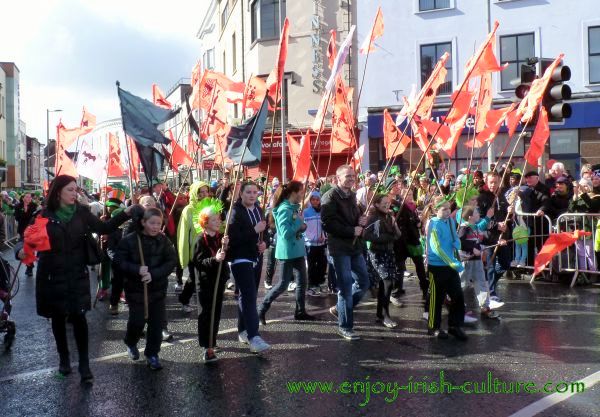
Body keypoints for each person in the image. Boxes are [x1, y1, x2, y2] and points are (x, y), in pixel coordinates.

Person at [21, 175, 139, 384]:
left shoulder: (82, 214)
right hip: (52, 276)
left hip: (76, 274)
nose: (75, 193)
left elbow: (105, 228)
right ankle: (64, 361)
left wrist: (126, 212)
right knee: (58, 319)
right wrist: (20, 254)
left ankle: (84, 364)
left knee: (79, 319)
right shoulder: (43, 216)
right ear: (58, 192)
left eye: (76, 190)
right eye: (70, 190)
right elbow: (29, 244)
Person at [115, 208, 177, 371]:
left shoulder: (163, 241)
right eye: (152, 223)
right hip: (136, 290)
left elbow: (171, 261)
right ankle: (130, 341)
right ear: (143, 222)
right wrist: (136, 269)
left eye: (158, 223)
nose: (156, 227)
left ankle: (152, 354)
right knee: (137, 322)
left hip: (157, 290)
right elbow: (119, 261)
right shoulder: (129, 240)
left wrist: (154, 274)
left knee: (156, 326)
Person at [321, 165, 370, 341]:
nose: (351, 178)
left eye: (353, 176)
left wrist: (361, 219)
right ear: (338, 178)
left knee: (364, 282)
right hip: (339, 248)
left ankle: (340, 310)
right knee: (345, 288)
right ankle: (345, 326)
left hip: (354, 246)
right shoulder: (330, 197)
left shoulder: (352, 195)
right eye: (347, 176)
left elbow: (355, 217)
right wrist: (352, 230)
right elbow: (328, 224)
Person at [259, 181, 315, 324]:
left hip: (296, 249)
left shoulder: (292, 208)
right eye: (301, 192)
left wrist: (302, 225)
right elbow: (284, 233)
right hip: (288, 252)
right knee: (283, 284)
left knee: (302, 282)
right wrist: (299, 223)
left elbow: (297, 227)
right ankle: (261, 309)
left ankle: (300, 311)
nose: (303, 195)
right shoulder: (285, 209)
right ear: (293, 193)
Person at [226, 181, 270, 353]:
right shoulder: (234, 211)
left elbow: (264, 230)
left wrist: (264, 242)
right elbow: (233, 237)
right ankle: (254, 336)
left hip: (255, 257)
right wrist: (254, 230)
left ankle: (242, 330)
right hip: (239, 258)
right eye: (248, 192)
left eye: (255, 192)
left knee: (246, 295)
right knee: (250, 296)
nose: (252, 195)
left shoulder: (259, 210)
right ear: (241, 194)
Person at [192, 198, 229, 363]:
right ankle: (207, 348)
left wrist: (227, 246)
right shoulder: (200, 240)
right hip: (206, 284)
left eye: (219, 218)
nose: (218, 221)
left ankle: (212, 340)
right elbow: (198, 263)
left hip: (219, 281)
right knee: (206, 314)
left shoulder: (221, 237)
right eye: (214, 220)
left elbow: (228, 256)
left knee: (216, 313)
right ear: (205, 223)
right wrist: (215, 259)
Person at [426, 196, 468, 341]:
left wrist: (457, 243)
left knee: (458, 296)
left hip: (450, 265)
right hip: (437, 266)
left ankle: (455, 326)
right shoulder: (433, 224)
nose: (447, 212)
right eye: (443, 209)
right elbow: (436, 248)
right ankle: (434, 327)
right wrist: (451, 262)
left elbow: (454, 236)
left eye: (448, 209)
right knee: (436, 299)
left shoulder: (450, 221)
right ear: (435, 210)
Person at [363, 194, 401, 328]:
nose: (387, 205)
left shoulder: (389, 217)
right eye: (384, 203)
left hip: (389, 253)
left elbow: (397, 236)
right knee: (387, 283)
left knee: (385, 285)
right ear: (377, 204)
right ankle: (386, 316)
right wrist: (385, 238)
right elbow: (366, 235)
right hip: (377, 254)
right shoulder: (373, 218)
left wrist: (394, 225)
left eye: (388, 202)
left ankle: (379, 314)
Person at [458, 206, 501, 319]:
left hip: (476, 261)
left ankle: (485, 306)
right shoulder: (464, 228)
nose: (479, 215)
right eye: (477, 213)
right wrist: (472, 248)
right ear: (470, 216)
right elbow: (460, 243)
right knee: (462, 284)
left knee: (481, 282)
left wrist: (498, 242)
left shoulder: (476, 227)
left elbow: (484, 239)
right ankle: (454, 303)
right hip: (466, 261)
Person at [477, 172, 510, 303]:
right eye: (490, 182)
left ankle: (488, 283)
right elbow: (480, 221)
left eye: (495, 182)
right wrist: (496, 225)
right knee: (490, 266)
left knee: (505, 264)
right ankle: (491, 292)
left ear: (499, 181)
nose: (493, 185)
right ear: (486, 181)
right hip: (489, 238)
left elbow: (506, 216)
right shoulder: (482, 198)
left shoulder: (502, 195)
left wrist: (511, 213)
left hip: (503, 237)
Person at [177, 181, 210, 311]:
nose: (204, 194)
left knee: (202, 276)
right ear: (194, 194)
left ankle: (202, 301)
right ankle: (184, 300)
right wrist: (184, 253)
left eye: (206, 191)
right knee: (194, 277)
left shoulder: (210, 206)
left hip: (208, 248)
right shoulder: (188, 210)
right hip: (194, 250)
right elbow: (184, 232)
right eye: (200, 192)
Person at [303, 191, 327, 296]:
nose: (315, 201)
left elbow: (324, 227)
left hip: (321, 243)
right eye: (313, 199)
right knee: (311, 265)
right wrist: (311, 238)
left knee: (322, 264)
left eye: (317, 199)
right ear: (310, 200)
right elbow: (303, 228)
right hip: (310, 244)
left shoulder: (322, 212)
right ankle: (311, 285)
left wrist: (324, 236)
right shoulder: (305, 212)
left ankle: (319, 282)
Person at [14, 192, 38, 276]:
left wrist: (27, 211)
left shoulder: (34, 206)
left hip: (32, 230)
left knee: (30, 248)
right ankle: (29, 267)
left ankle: (30, 266)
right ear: (23, 198)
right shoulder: (18, 206)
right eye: (27, 197)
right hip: (22, 230)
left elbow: (34, 217)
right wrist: (23, 211)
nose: (28, 198)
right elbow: (17, 217)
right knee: (26, 249)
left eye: (30, 197)